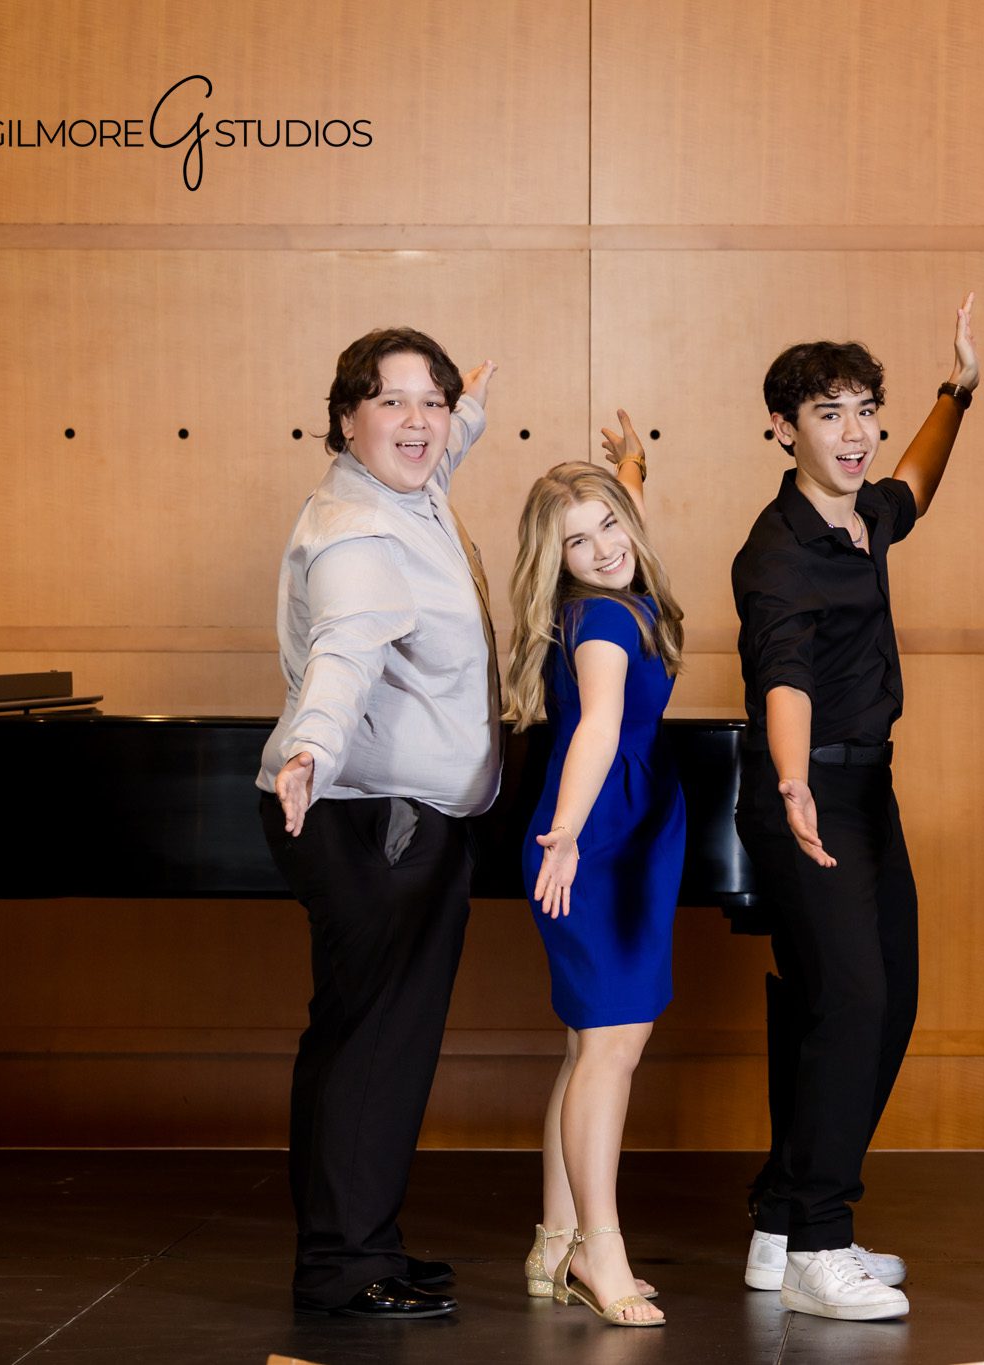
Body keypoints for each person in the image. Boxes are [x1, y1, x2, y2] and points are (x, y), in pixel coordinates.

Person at [732, 293, 978, 1321]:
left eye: (865, 410)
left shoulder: (865, 514)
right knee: (852, 1004)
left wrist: (955, 391)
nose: (857, 432)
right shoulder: (777, 549)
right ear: (784, 427)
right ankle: (817, 1244)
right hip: (804, 791)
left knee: (887, 1000)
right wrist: (791, 781)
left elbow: (914, 480)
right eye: (830, 412)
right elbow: (780, 675)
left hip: (866, 789)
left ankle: (783, 1223)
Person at [257, 328, 496, 1319]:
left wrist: (463, 401)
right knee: (375, 1045)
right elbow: (346, 647)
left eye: (429, 402)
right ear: (343, 418)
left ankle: (358, 1243)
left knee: (361, 1034)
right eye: (391, 402)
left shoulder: (411, 487)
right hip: (371, 817)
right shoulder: (359, 529)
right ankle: (343, 1266)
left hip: (388, 817)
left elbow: (440, 440)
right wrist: (313, 744)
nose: (418, 421)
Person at [503, 422, 686, 1329]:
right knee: (609, 1050)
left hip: (628, 829)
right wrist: (568, 833)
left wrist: (629, 470)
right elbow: (599, 725)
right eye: (579, 540)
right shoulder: (606, 617)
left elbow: (623, 531)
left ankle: (555, 1240)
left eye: (611, 522)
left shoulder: (611, 583)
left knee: (591, 1048)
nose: (605, 546)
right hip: (601, 834)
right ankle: (597, 1252)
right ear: (558, 558)